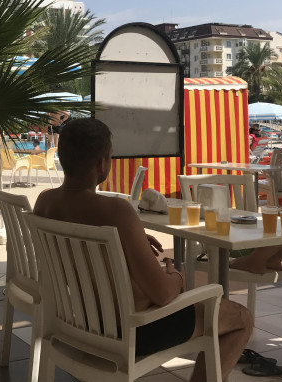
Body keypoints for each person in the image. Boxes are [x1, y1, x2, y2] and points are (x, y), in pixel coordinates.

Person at [33, 118, 253, 382]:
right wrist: (176, 276)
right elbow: (162, 294)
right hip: (129, 332)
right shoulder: (116, 210)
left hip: (78, 322)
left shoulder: (45, 202)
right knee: (241, 318)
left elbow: (82, 244)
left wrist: (129, 239)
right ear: (102, 164)